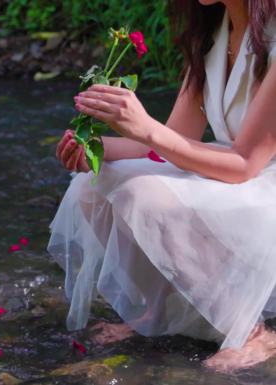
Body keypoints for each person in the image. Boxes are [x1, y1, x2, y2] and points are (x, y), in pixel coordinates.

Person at [47, 0, 276, 373]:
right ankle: (157, 310)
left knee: (144, 195)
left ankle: (252, 331)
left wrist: (147, 125)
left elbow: (245, 164)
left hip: (262, 179)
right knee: (93, 184)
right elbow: (164, 144)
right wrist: (96, 148)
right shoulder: (214, 35)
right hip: (228, 166)